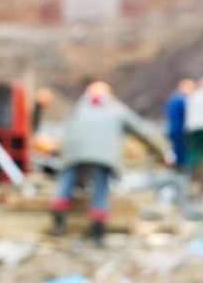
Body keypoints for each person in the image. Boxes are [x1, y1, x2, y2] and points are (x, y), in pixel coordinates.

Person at [50, 81, 169, 246]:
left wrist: (59, 151)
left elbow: (64, 131)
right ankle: (97, 234)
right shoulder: (116, 109)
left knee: (66, 182)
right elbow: (142, 131)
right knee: (100, 189)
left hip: (73, 153)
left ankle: (58, 224)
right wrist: (162, 153)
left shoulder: (77, 108)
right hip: (102, 155)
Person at [185, 76, 203, 194]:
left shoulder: (195, 95)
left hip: (194, 127)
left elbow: (189, 112)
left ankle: (192, 175)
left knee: (194, 151)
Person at [165, 79, 196, 170]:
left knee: (174, 151)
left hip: (171, 128)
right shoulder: (181, 100)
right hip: (179, 130)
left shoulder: (173, 98)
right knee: (181, 153)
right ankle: (181, 171)